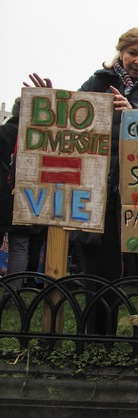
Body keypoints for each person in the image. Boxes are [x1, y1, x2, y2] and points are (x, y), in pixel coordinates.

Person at [25, 27, 138, 335]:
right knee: (98, 267)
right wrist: (53, 103)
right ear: (121, 52)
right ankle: (98, 338)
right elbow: (72, 121)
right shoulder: (98, 81)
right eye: (133, 52)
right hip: (98, 187)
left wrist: (134, 111)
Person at [0, 97, 47, 295]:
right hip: (30, 198)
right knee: (20, 245)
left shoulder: (5, 132)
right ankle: (13, 296)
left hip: (3, 196)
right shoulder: (41, 135)